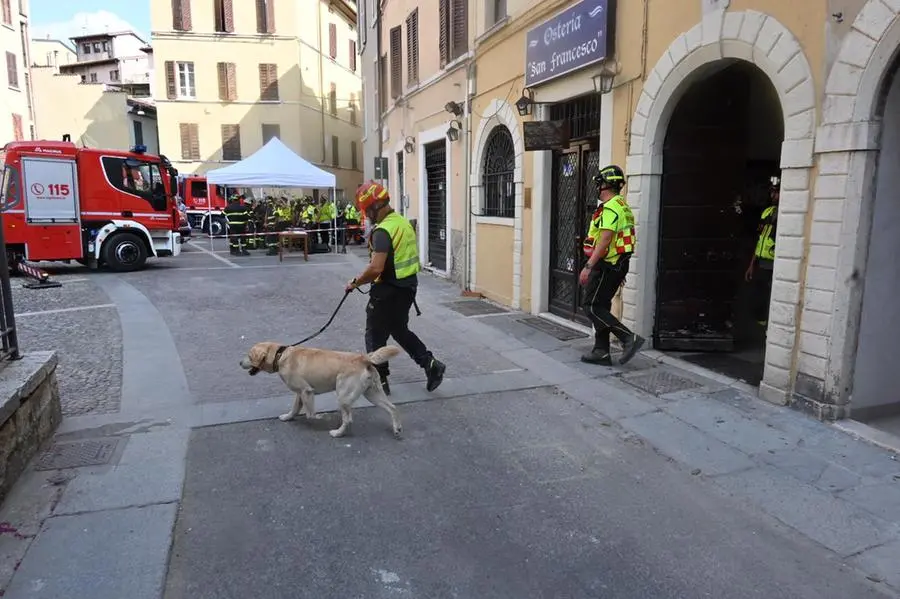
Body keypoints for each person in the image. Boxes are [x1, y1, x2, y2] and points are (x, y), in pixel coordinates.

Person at [346, 180, 446, 395]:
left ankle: (379, 383)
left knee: (374, 335)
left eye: (367, 211)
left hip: (387, 292)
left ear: (374, 207)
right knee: (399, 330)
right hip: (408, 289)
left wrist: (355, 283)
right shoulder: (402, 222)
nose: (368, 216)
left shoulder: (383, 231)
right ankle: (431, 365)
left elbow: (376, 268)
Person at [578, 164, 645, 366]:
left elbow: (605, 239)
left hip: (606, 264)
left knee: (591, 306)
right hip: (616, 264)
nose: (597, 188)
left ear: (605, 185)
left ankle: (628, 338)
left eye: (599, 183)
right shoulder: (621, 205)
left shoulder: (611, 208)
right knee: (602, 306)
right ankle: (601, 351)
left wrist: (588, 266)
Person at [744, 175, 780, 328]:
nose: (773, 195)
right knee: (757, 298)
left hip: (776, 266)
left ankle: (771, 329)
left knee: (773, 299)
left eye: (776, 192)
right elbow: (760, 240)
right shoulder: (767, 212)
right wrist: (752, 265)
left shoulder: (790, 214)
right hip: (762, 264)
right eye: (772, 192)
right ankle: (763, 326)